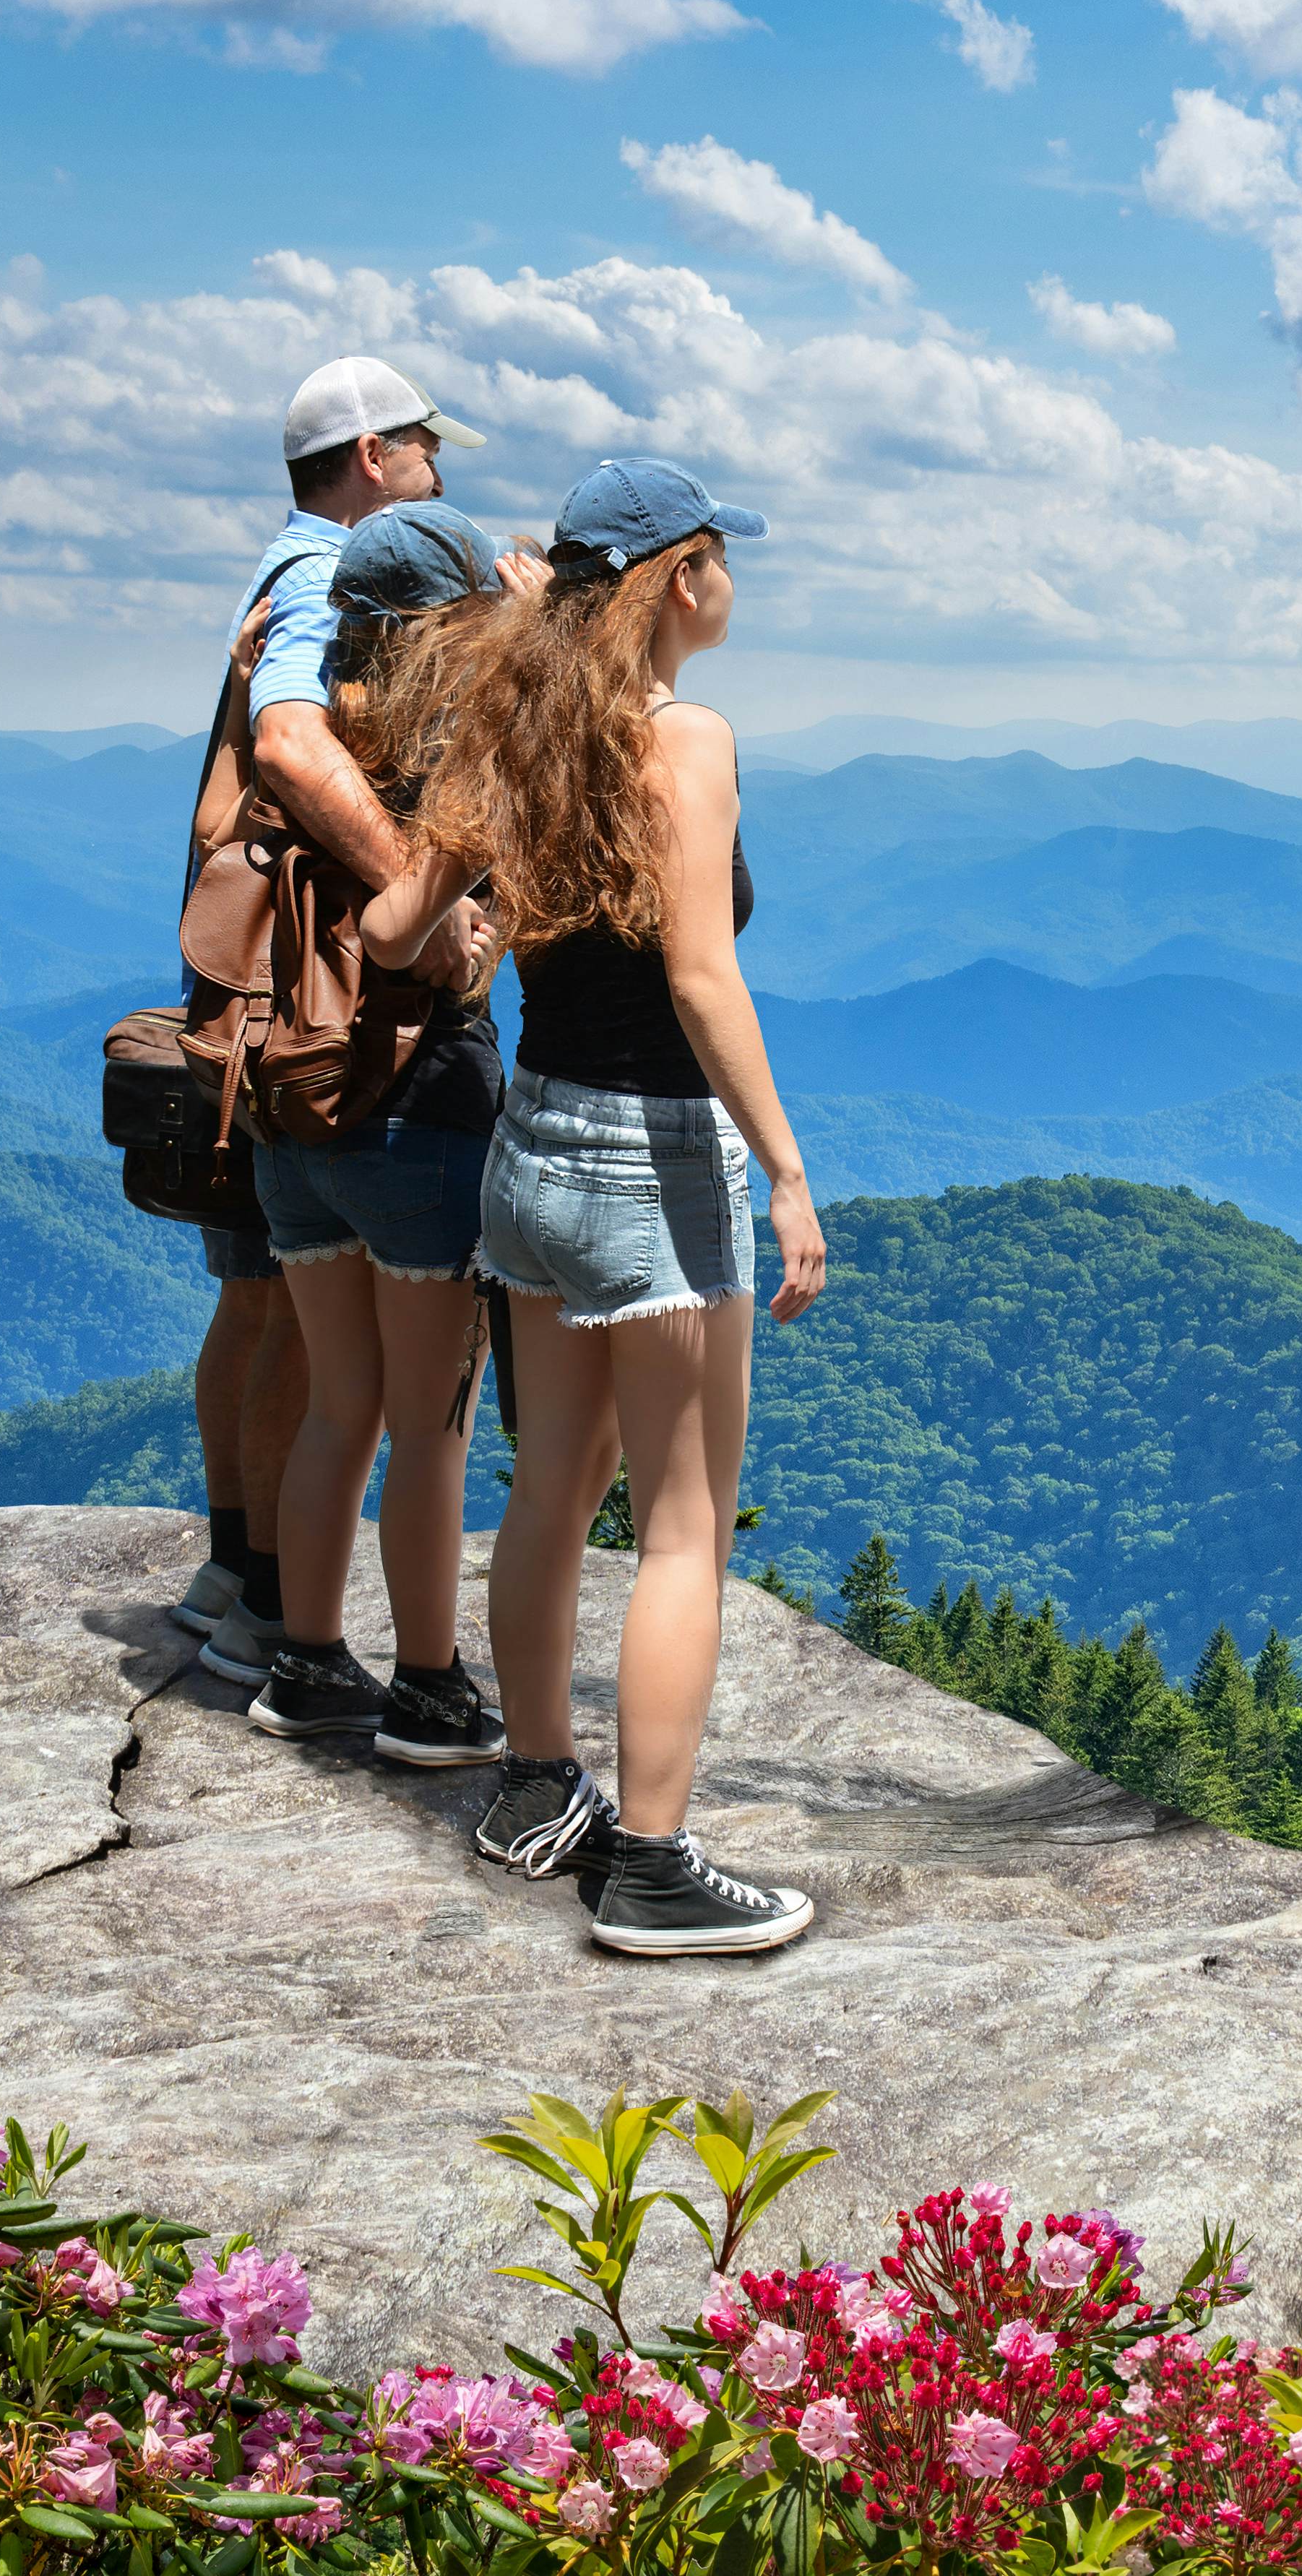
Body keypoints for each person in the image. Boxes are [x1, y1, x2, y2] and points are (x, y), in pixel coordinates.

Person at [367, 455, 825, 1957]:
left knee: (549, 1488)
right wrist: (787, 1168)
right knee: (683, 1527)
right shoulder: (686, 740)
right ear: (678, 574)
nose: (732, 584)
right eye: (721, 558)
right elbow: (701, 973)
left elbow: (388, 925)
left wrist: (483, 914)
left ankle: (532, 1783)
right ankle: (652, 1864)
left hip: (532, 1148)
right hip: (654, 1160)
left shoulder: (510, 724)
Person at [187, 355, 487, 1688]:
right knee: (367, 1375)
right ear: (371, 455)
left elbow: (254, 778)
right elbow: (301, 748)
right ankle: (325, 1633)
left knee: (274, 1307)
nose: (438, 466)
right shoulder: (328, 577)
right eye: (425, 446)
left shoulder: (271, 572)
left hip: (255, 1009)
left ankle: (250, 1587)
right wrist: (423, 903)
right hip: (355, 1026)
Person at [238, 499, 519, 1761]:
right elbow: (458, 947)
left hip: (291, 1104)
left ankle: (304, 1664)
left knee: (336, 1407)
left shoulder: (305, 737)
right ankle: (427, 1686)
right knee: (429, 1424)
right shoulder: (447, 749)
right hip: (421, 1113)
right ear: (447, 622)